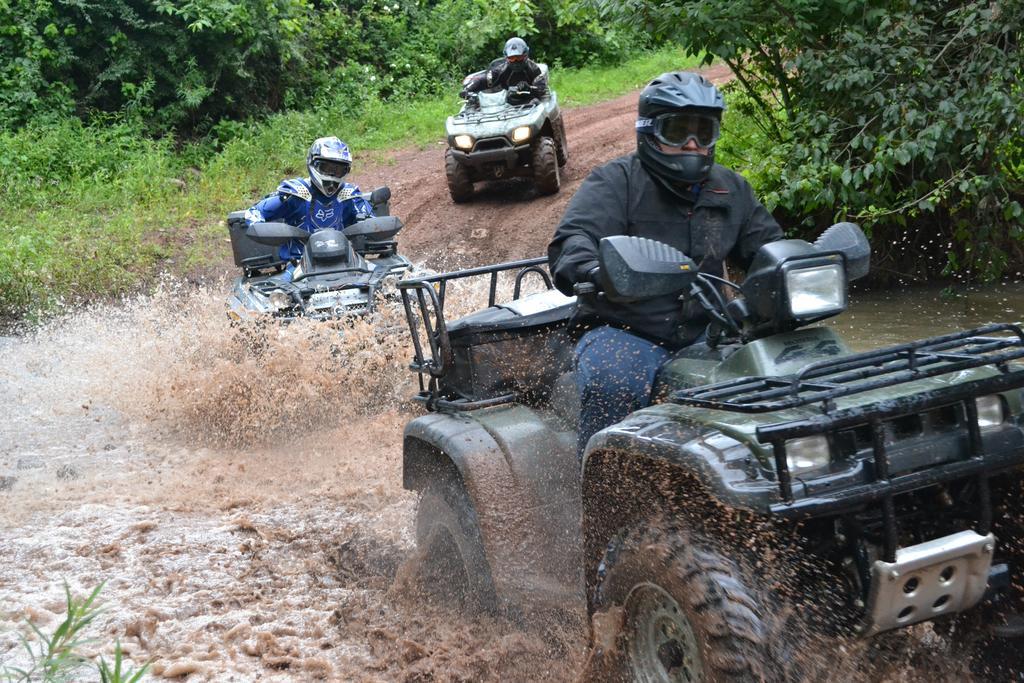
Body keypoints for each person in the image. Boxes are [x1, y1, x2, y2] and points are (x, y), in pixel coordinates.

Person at [547, 71, 783, 459]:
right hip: (622, 331)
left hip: (706, 334)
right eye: (678, 131)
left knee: (782, 371)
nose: (692, 144)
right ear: (650, 132)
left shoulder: (731, 189)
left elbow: (770, 250)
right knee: (616, 380)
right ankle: (604, 501)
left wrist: (800, 265)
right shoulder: (616, 182)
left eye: (703, 133)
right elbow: (571, 243)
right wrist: (594, 270)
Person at [244, 136, 374, 281]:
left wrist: (370, 224)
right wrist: (262, 230)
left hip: (346, 262)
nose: (332, 175)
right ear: (313, 163)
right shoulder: (296, 193)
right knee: (274, 296)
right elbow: (254, 212)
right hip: (299, 266)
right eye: (326, 168)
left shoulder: (350, 196)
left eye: (338, 170)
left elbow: (372, 221)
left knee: (387, 279)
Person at [462, 37, 548, 100]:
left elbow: (541, 90)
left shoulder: (534, 69)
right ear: (506, 57)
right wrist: (468, 89)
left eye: (519, 57)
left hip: (528, 102)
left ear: (526, 55)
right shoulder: (500, 70)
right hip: (503, 105)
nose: (515, 61)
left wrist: (528, 88)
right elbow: (483, 79)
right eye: (512, 58)